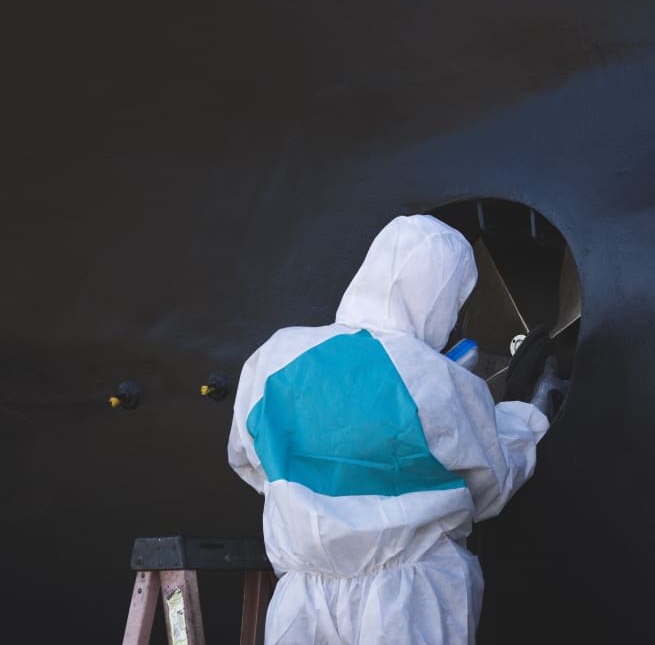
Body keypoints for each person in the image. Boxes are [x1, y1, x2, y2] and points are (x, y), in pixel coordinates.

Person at [227, 214, 559, 644]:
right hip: (407, 601)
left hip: (302, 597)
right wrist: (523, 411)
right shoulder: (433, 378)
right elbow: (490, 486)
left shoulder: (275, 355)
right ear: (442, 294)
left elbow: (249, 461)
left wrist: (312, 503)